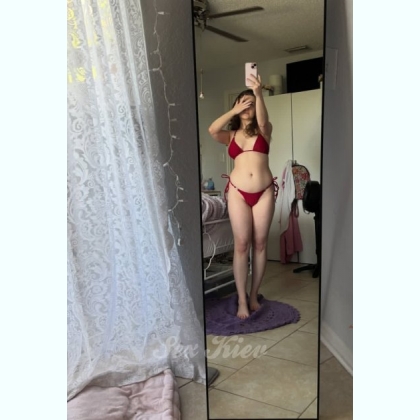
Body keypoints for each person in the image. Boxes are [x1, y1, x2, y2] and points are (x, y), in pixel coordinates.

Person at [208, 74, 278, 319]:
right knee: (241, 244)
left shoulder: (264, 131)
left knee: (260, 244)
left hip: (264, 191)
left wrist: (258, 93)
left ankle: (253, 295)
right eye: (243, 103)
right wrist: (234, 111)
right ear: (237, 106)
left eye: (251, 104)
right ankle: (241, 299)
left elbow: (264, 121)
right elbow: (212, 129)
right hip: (238, 192)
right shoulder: (230, 136)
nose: (248, 107)